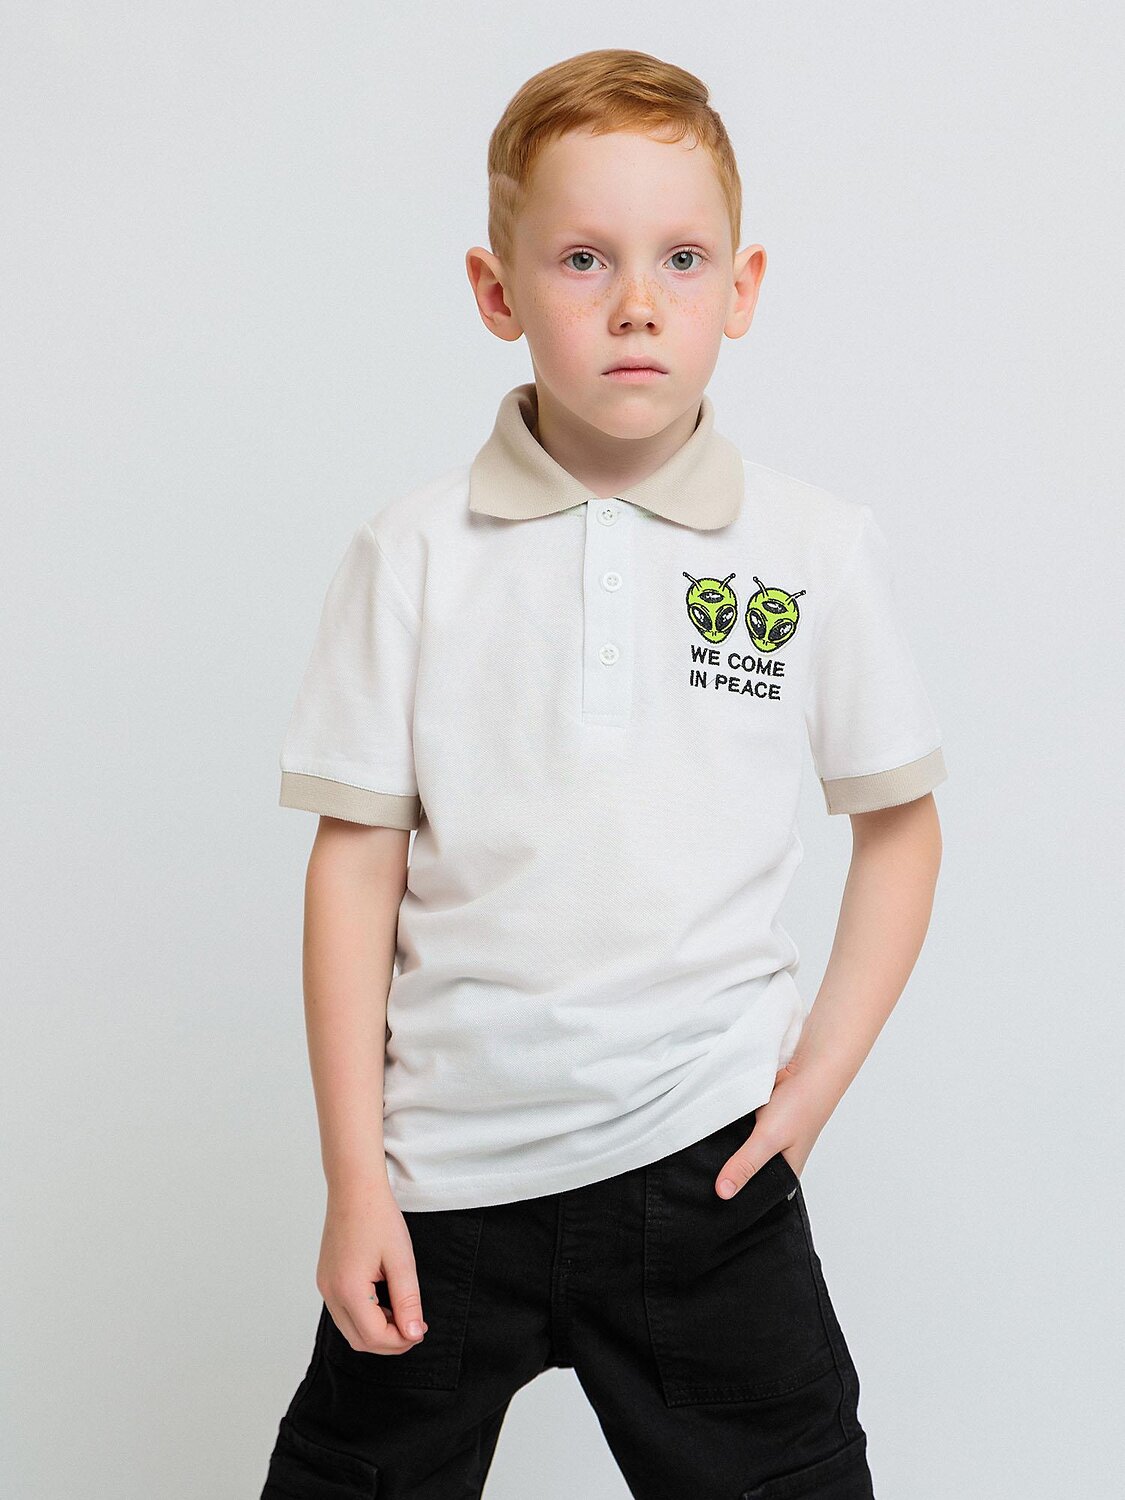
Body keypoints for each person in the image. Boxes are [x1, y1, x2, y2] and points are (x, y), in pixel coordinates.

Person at [260, 47, 946, 1500]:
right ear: (495, 290)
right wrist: (354, 1178)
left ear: (740, 289)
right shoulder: (412, 555)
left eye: (680, 259)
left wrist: (807, 1091)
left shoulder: (815, 550)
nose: (637, 301)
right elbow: (353, 868)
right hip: (445, 1177)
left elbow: (901, 829)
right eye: (583, 258)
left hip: (706, 1172)